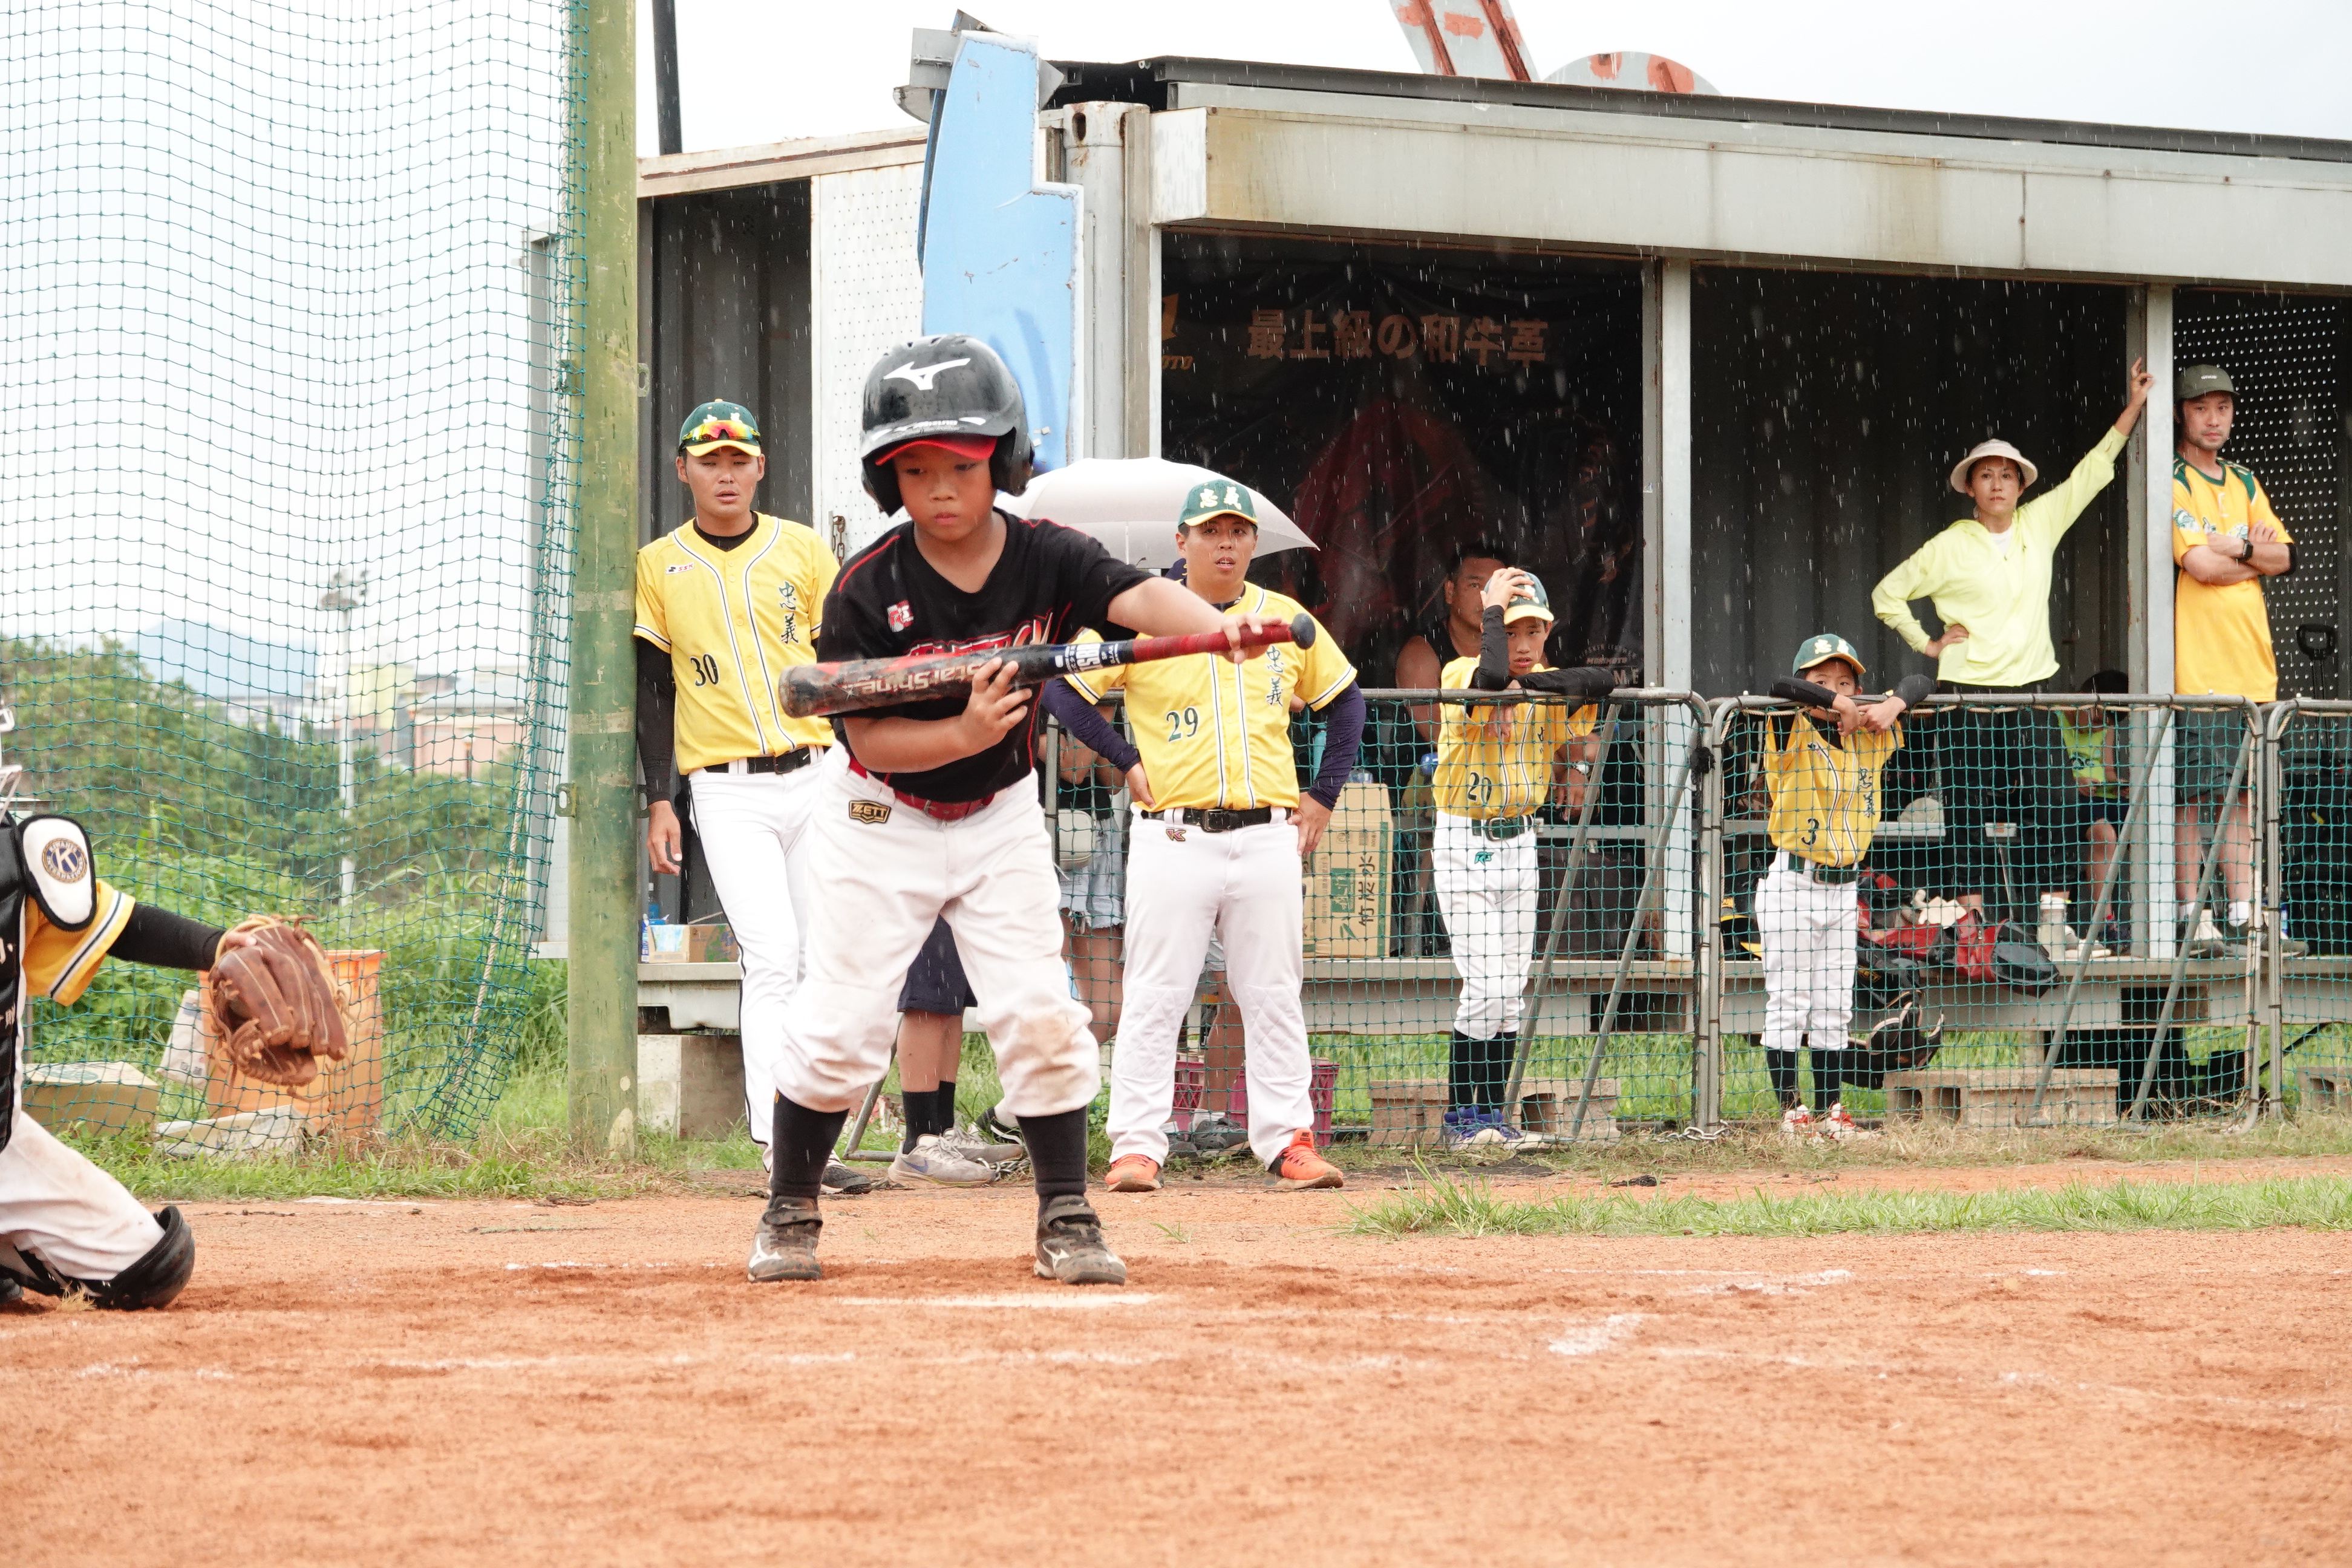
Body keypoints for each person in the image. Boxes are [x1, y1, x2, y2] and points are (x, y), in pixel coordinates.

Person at [748, 335, 1261, 1286]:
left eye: (961, 465)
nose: (940, 489)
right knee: (840, 1022)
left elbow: (1138, 596)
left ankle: (1066, 1212)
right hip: (879, 817)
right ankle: (790, 1209)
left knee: (1038, 1010)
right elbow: (868, 741)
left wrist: (1219, 630)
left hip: (998, 815)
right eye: (916, 470)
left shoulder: (1046, 557)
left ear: (1005, 460)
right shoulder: (867, 589)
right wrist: (964, 728)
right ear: (887, 479)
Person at [1045, 479, 1364, 1195]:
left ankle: (1289, 1142)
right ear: (1181, 541)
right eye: (1211, 531)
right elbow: (1063, 686)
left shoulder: (1282, 618)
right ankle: (1137, 1146)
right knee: (1156, 993)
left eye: (1238, 532)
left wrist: (1323, 794)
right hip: (1175, 833)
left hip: (1267, 833)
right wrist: (1123, 757)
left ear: (1253, 543)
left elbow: (1346, 702)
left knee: (1272, 992)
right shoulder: (1144, 614)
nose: (1226, 543)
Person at [633, 400, 869, 1197]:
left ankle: (815, 1132)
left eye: (739, 459)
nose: (726, 474)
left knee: (820, 958)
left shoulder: (801, 547)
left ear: (761, 467)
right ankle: (782, 1148)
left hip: (817, 771)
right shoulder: (658, 564)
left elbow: (841, 662)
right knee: (771, 956)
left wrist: (863, 764)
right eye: (710, 461)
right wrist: (659, 800)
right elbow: (654, 689)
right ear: (684, 470)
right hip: (726, 787)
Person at [1872, 359, 2154, 929]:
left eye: (2008, 475)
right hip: (1966, 693)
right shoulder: (1949, 544)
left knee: (2054, 801)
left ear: (2022, 486)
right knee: (1967, 806)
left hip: (2030, 691)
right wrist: (1928, 643)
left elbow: (2091, 472)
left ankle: (2053, 915)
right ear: (1970, 487)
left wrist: (2132, 408)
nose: (1998, 484)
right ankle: (1972, 919)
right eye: (1986, 475)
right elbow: (1887, 594)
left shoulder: (2039, 522)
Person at [0, 817, 261, 1310]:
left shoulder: (11, 858)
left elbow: (114, 924)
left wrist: (215, 947)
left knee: (149, 1264)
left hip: (1, 1146)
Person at [1429, 566, 1613, 1145]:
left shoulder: (1546, 687)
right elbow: (1486, 678)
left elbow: (1602, 680)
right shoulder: (1460, 671)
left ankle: (1492, 1117)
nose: (1524, 644)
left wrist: (1528, 691)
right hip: (1465, 840)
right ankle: (1461, 1119)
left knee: (1510, 991)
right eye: (1510, 632)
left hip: (1520, 842)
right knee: (1485, 987)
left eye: (1534, 630)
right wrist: (1491, 617)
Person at [1753, 634, 1935, 1134]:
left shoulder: (1871, 735)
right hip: (1794, 882)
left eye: (1846, 683)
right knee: (1790, 1004)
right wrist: (1835, 703)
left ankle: (1833, 1113)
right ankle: (1792, 1113)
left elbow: (1923, 681)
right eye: (1823, 681)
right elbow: (1779, 685)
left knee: (1835, 1006)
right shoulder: (1789, 722)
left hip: (1843, 887)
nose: (1838, 690)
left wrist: (1893, 704)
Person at [2171, 364, 2300, 955]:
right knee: (2193, 796)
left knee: (2247, 798)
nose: (2213, 418)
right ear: (2182, 413)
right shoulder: (2173, 479)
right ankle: (2192, 918)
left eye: (2222, 407)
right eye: (2201, 407)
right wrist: (2253, 559)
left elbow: (2287, 558)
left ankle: (2247, 915)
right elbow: (2199, 565)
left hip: (2255, 669)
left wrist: (2239, 548)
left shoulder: (2246, 480)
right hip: (2200, 670)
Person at [886, 920, 1021, 1186]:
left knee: (951, 1002)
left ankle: (943, 1132)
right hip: (919, 900)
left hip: (954, 899)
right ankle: (920, 1142)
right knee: (929, 998)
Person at [2057, 670, 2130, 950]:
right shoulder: (2053, 717)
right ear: (2084, 697)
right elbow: (2044, 771)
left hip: (2101, 798)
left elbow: (2107, 771)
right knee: (2104, 834)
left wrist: (2118, 784)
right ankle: (2108, 922)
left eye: (2105, 724)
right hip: (2066, 799)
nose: (2098, 727)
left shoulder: (2106, 726)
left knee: (2144, 823)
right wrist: (2073, 782)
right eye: (2097, 718)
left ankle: (2174, 917)